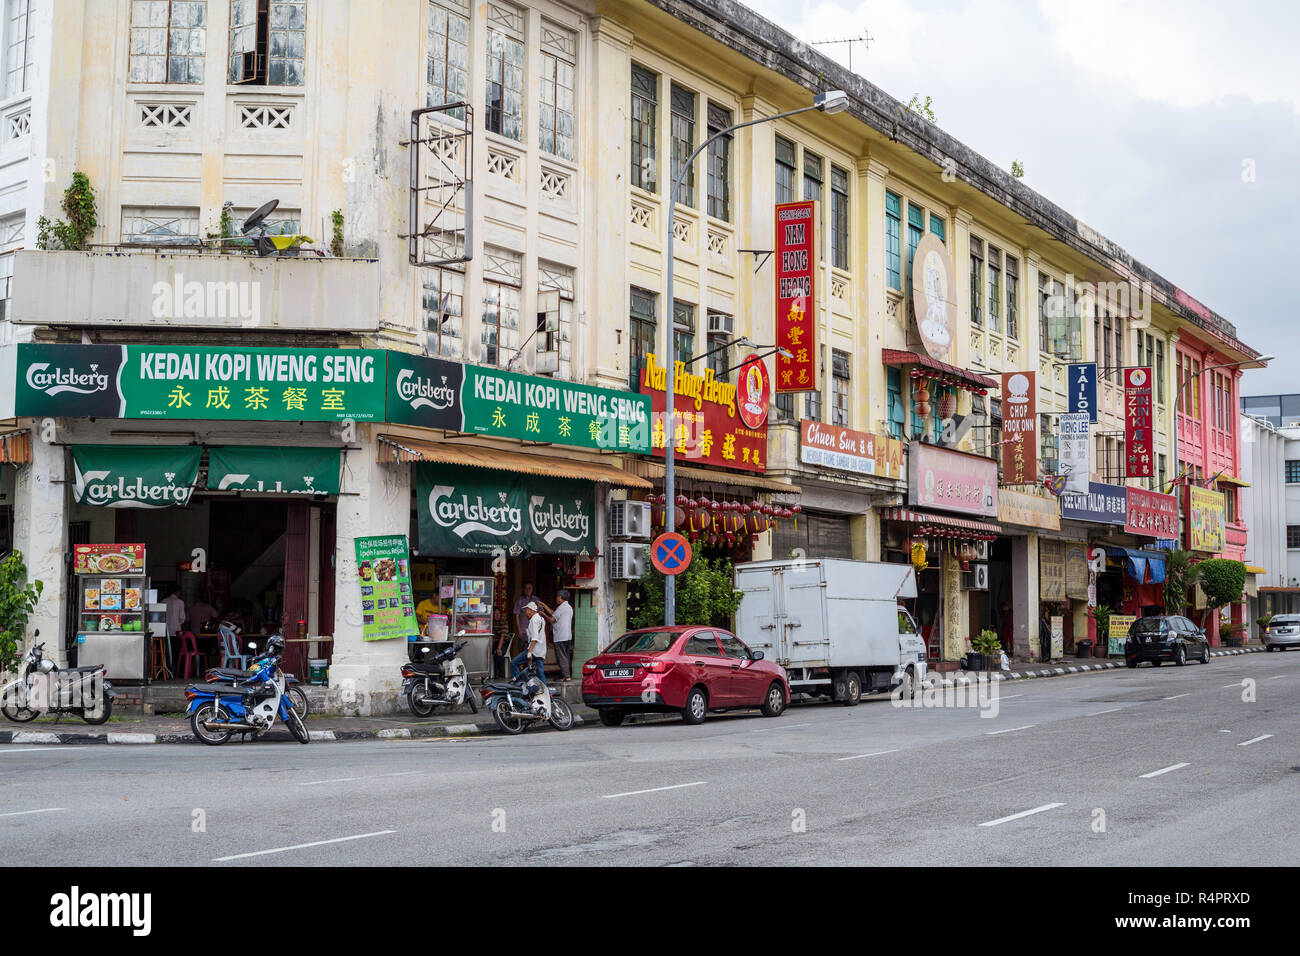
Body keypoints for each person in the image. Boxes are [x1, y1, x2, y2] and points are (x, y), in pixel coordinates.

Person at [510, 602, 548, 685]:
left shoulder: (534, 620)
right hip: (541, 650)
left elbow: (535, 638)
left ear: (531, 610)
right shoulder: (541, 619)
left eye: (526, 610)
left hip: (534, 650)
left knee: (513, 663)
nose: (525, 613)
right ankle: (546, 694)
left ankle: (518, 685)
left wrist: (530, 651)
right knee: (540, 673)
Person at [551, 590, 574, 680]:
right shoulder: (568, 607)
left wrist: (543, 614)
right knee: (565, 656)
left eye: (557, 596)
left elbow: (551, 619)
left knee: (561, 657)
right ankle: (565, 674)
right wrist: (545, 606)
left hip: (560, 636)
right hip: (567, 636)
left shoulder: (561, 608)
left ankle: (567, 676)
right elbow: (555, 614)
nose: (556, 598)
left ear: (560, 598)